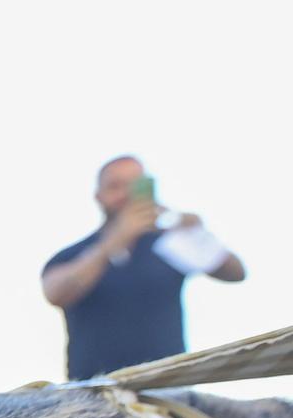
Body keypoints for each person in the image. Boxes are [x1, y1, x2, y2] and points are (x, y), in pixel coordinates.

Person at [41, 155, 246, 379]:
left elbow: (235, 272)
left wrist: (196, 234)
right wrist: (113, 242)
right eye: (116, 186)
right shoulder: (74, 254)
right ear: (99, 196)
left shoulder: (169, 244)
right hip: (93, 392)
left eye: (135, 185)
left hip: (167, 387)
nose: (126, 194)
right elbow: (56, 292)